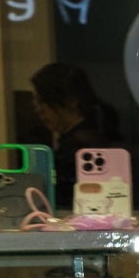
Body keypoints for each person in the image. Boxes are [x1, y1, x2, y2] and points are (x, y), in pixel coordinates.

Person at [27, 62, 122, 209]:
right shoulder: (85, 138)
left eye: (42, 101)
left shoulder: (82, 146)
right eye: (35, 103)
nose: (39, 110)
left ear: (70, 101)